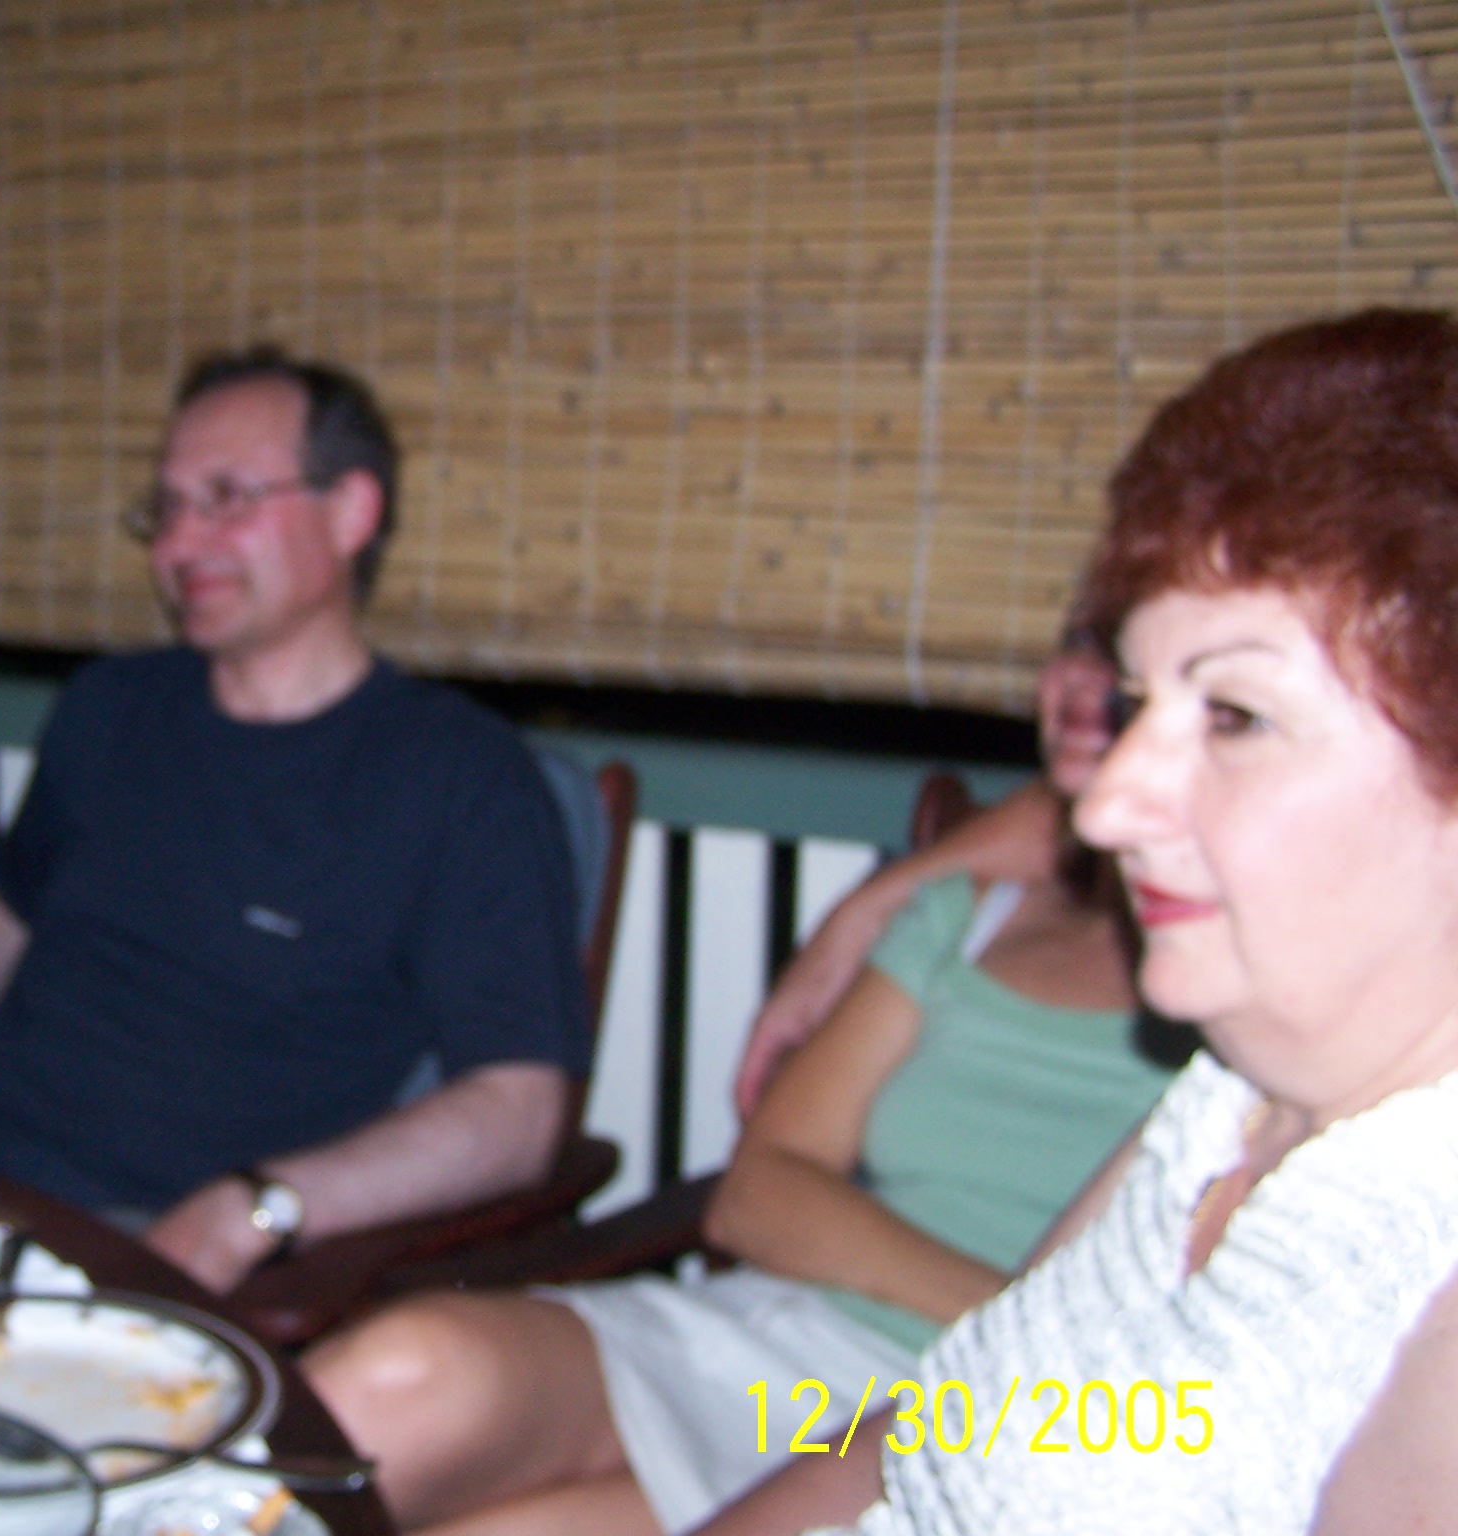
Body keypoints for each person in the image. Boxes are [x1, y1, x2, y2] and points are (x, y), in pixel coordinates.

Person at [698, 307, 1458, 1534]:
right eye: (1140, 700)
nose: (1105, 806)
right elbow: (959, 1421)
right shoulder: (1224, 1099)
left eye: (1235, 716)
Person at [301, 634, 1176, 1536]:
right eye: (1080, 639)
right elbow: (758, 1196)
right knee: (395, 1375)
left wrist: (1016, 1347)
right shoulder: (969, 915)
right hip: (785, 1343)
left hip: (1026, 1420)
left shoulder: (1249, 1008)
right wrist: (873, 904)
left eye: (1127, 658)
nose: (1087, 680)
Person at [0, 346, 589, 1295]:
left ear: (351, 513)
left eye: (227, 498)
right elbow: (7, 901)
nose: (179, 545)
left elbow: (519, 1112)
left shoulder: (458, 779)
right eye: (168, 506)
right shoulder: (111, 707)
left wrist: (262, 1207)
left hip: (133, 1239)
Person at [730, 646, 1117, 1117]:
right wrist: (859, 917)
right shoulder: (953, 913)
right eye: (1079, 639)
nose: (1086, 676)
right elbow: (782, 1139)